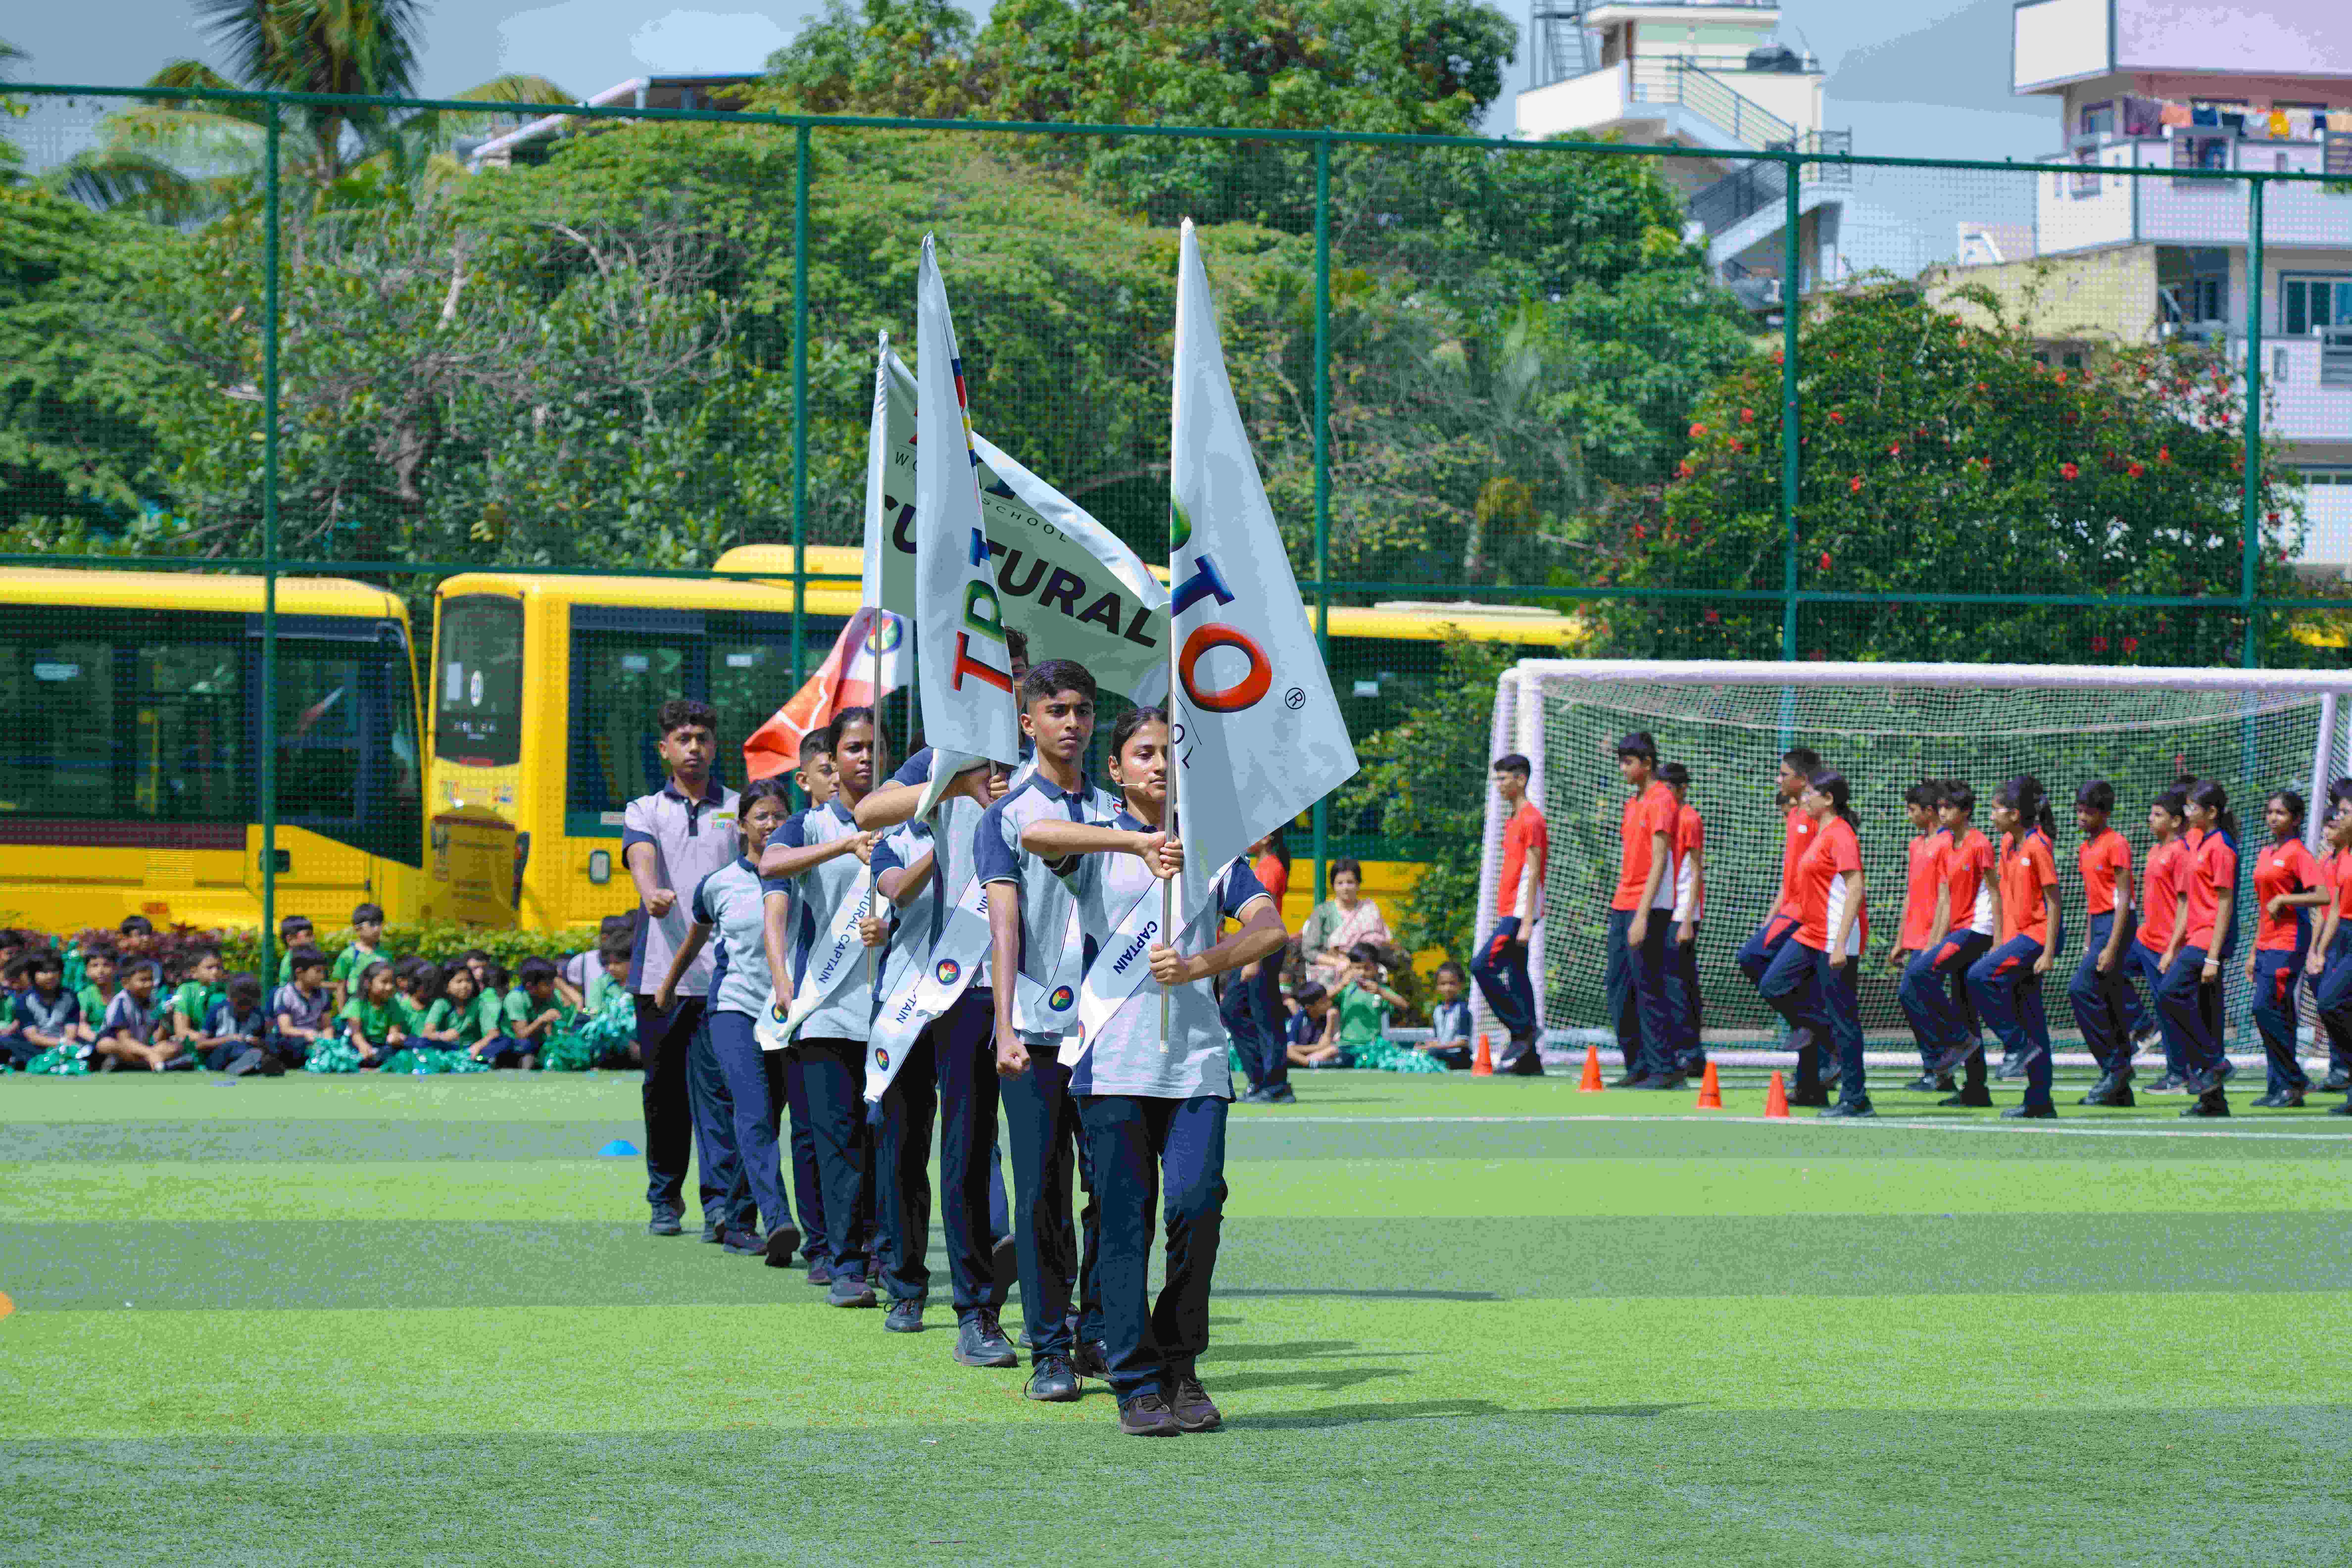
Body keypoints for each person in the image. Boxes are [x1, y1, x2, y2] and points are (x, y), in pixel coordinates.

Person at [1020, 704, 1287, 1436]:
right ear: (1116, 769)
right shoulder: (1098, 843)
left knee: (1196, 1208)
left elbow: (1270, 929)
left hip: (1196, 1064)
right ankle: (1135, 1381)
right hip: (1110, 1064)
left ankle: (1181, 1365)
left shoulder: (1214, 850)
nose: (1160, 765)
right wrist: (1137, 842)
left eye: (1171, 753)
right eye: (1144, 753)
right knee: (1123, 1226)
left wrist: (1200, 963)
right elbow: (1033, 833)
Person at [978, 660, 1123, 1401]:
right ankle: (1048, 1350)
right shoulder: (1002, 816)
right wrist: (1002, 1024)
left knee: (1115, 1189)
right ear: (1027, 720)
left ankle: (1098, 1329)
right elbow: (1004, 927)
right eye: (1057, 709)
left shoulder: (1117, 808)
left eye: (1084, 710)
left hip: (1109, 1034)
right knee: (1039, 1194)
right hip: (1035, 1033)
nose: (1072, 723)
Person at [860, 756, 1022, 1364]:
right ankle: (904, 1284)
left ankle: (975, 1305)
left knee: (968, 1144)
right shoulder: (895, 832)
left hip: (973, 994)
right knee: (902, 1143)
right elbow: (897, 885)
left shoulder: (1016, 788)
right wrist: (950, 813)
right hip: (904, 998)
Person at [760, 705, 885, 1307]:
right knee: (836, 1142)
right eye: (853, 748)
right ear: (831, 761)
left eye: (872, 747)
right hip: (828, 1011)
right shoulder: (807, 827)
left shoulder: (909, 821)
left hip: (895, 1010)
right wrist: (842, 846)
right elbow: (771, 865)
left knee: (888, 1139)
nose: (863, 757)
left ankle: (888, 1252)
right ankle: (843, 1263)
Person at [657, 775, 803, 1264]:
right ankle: (778, 1218)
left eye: (779, 816)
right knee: (754, 1112)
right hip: (734, 1010)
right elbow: (694, 941)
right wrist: (667, 986)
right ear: (743, 825)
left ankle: (738, 1221)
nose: (770, 824)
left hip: (786, 1014)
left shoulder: (804, 874)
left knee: (769, 1118)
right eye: (761, 816)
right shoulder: (719, 885)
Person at [620, 697, 749, 1243]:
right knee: (664, 1094)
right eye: (683, 739)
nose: (694, 748)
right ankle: (664, 1199)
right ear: (665, 748)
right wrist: (651, 894)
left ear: (715, 746)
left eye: (702, 738)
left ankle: (719, 1207)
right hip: (659, 979)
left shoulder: (740, 809)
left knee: (721, 1094)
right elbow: (641, 858)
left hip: (727, 978)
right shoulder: (645, 809)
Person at [1760, 768, 1870, 1117]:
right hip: (1811, 933)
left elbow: (1856, 888)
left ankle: (1856, 1099)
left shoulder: (1841, 834)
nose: (1803, 799)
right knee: (1774, 985)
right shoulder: (1821, 833)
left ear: (1829, 800)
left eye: (1810, 794)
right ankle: (1817, 1029)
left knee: (1845, 1018)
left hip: (1835, 937)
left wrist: (1840, 944)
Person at [1968, 776, 2063, 1120]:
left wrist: (2049, 952)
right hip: (2017, 937)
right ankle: (2040, 1100)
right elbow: (2008, 898)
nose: (1991, 816)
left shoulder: (2039, 845)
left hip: (2038, 938)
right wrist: (2001, 941)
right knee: (2032, 1016)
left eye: (1996, 810)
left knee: (1979, 977)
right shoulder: (2009, 843)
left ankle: (2016, 1045)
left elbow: (2054, 903)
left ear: (2015, 813)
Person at [2068, 779, 2154, 1107]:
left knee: (2081, 989)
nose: (2082, 817)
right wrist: (2091, 942)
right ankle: (2120, 1087)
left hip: (2119, 923)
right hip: (2100, 924)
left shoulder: (2116, 843)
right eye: (2079, 811)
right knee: (2108, 996)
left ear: (2104, 813)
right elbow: (2094, 901)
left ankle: (2116, 1067)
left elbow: (2124, 899)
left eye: (2089, 812)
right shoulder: (2085, 848)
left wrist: (2112, 945)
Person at [2160, 781, 2241, 1118]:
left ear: (2211, 812)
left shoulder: (2221, 846)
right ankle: (2213, 1100)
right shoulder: (2199, 843)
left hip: (2209, 940)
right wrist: (2175, 945)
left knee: (2169, 994)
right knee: (2207, 1016)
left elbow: (2225, 905)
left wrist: (2212, 956)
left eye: (2194, 808)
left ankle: (2214, 1063)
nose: (2188, 812)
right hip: (2196, 936)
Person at [1736, 747, 1822, 1058]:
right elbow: (1792, 876)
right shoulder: (1795, 813)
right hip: (1789, 911)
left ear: (1802, 780)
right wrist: (1773, 915)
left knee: (1752, 957)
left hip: (1807, 915)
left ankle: (1811, 1023)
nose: (1778, 779)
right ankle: (1809, 1073)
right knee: (1759, 961)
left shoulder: (1816, 817)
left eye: (1784, 775)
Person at [2244, 789, 2326, 1108]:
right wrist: (2253, 951)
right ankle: (2281, 1087)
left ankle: (2295, 1080)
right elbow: (2266, 907)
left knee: (2264, 1008)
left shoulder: (2297, 853)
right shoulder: (2266, 853)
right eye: (2270, 812)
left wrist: (2286, 899)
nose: (2273, 818)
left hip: (2289, 941)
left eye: (2280, 813)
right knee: (2280, 1014)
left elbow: (2322, 896)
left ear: (2296, 819)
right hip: (2266, 942)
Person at [1471, 756, 1547, 1075]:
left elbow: (1533, 872)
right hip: (1511, 910)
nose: (1498, 785)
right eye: (1497, 779)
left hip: (1520, 912)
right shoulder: (1513, 818)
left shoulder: (1532, 819)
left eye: (1504, 779)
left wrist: (1527, 920)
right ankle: (1530, 1061)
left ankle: (1523, 1030)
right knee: (1517, 976)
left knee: (1482, 966)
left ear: (1521, 779)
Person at [1222, 830, 1294, 1103]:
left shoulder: (1270, 868)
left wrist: (1254, 960)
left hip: (1263, 949)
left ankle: (1275, 1085)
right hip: (1257, 948)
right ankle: (1261, 1079)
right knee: (1234, 1011)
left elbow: (1264, 918)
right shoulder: (1263, 866)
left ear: (1267, 838)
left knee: (1267, 1016)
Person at [1889, 781, 1952, 1090]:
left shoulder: (1947, 842)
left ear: (1930, 812)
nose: (1908, 816)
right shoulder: (1916, 845)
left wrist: (1935, 941)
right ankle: (1938, 1069)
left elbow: (1946, 894)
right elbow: (1911, 894)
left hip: (1936, 938)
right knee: (1910, 995)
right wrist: (1901, 939)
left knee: (1917, 994)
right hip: (1916, 938)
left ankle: (1942, 1068)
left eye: (1912, 810)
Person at [2133, 789, 2195, 1094]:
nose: (2151, 819)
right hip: (2146, 940)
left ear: (2175, 821)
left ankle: (2179, 1073)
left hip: (2166, 945)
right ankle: (2142, 1025)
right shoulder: (2155, 851)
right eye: (2152, 813)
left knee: (2170, 1009)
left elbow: (2185, 904)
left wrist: (2173, 948)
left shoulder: (2181, 853)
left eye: (2158, 815)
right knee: (2099, 972)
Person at [1656, 761, 1707, 1079]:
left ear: (1680, 788)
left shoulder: (1689, 819)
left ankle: (1689, 1051)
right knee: (1672, 981)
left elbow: (1695, 871)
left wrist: (1687, 918)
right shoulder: (1664, 817)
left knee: (1680, 983)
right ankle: (1682, 1048)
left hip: (1682, 912)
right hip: (1666, 910)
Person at [2308, 783, 2352, 1116]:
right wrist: (2319, 949)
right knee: (2328, 1001)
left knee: (2333, 1000)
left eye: (2346, 813)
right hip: (2344, 935)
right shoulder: (2342, 857)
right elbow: (2335, 908)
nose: (2339, 818)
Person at [1300, 858, 1392, 992]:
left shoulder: (1370, 910)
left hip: (1366, 971)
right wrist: (1338, 962)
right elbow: (1309, 952)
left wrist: (1358, 965)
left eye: (1350, 883)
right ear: (1333, 885)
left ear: (1359, 884)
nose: (1346, 888)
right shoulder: (1323, 912)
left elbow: (1379, 945)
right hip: (1330, 973)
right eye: (1340, 883)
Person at [7, 950, 82, 1071]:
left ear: (61, 973)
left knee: (92, 1047)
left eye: (54, 971)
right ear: (33, 975)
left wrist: (65, 1045)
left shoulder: (71, 997)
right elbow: (33, 1037)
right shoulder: (24, 1000)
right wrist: (63, 1043)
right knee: (5, 1042)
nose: (50, 976)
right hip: (35, 1046)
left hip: (65, 1046)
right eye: (44, 972)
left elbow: (71, 1034)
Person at [195, 974, 276, 1076]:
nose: (245, 1008)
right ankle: (255, 1064)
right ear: (230, 998)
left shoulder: (258, 1015)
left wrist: (258, 1042)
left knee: (267, 1048)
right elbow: (200, 1044)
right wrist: (230, 1038)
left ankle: (251, 1065)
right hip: (218, 1058)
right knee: (234, 1046)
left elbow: (265, 1044)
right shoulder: (217, 1011)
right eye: (241, 1003)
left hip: (249, 1050)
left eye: (249, 1004)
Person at [96, 961, 168, 1072]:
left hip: (143, 1048)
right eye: (143, 980)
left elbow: (158, 1039)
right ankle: (149, 1063)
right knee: (106, 1045)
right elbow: (125, 1041)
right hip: (124, 1047)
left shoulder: (155, 1001)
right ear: (126, 983)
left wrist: (166, 1021)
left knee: (174, 1046)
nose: (149, 984)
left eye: (151, 980)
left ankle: (140, 1064)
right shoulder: (121, 1002)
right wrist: (151, 1053)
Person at [503, 956, 573, 1068]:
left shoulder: (552, 996)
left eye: (552, 983)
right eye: (547, 985)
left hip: (540, 1044)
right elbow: (521, 1035)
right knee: (526, 1048)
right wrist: (542, 1020)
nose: (553, 988)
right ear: (530, 986)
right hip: (516, 1046)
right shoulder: (516, 998)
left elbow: (562, 1031)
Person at [269, 947, 334, 1067]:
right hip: (291, 1039)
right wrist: (307, 1033)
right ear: (299, 973)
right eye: (318, 971)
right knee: (290, 1046)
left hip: (316, 1039)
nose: (322, 976)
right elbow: (286, 1029)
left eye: (323, 972)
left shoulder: (324, 995)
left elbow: (328, 1026)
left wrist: (328, 1038)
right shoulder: (285, 994)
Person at [341, 960, 408, 1067]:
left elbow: (394, 1031)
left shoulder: (393, 1003)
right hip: (359, 1043)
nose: (390, 987)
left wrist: (396, 1038)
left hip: (382, 1045)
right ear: (368, 983)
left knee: (397, 1053)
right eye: (384, 982)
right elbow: (356, 1034)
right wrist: (364, 1047)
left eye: (392, 983)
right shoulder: (357, 1003)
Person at [329, 903, 387, 1009]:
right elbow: (341, 986)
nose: (378, 929)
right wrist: (343, 1013)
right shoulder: (349, 955)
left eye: (380, 924)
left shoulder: (386, 955)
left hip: (381, 1008)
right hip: (356, 1008)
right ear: (358, 929)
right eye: (373, 924)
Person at [169, 946, 225, 1047]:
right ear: (194, 973)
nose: (216, 972)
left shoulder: (227, 990)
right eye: (210, 968)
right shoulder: (186, 990)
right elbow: (181, 1031)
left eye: (219, 967)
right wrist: (211, 1040)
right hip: (196, 1047)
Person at [1424, 960, 1474, 1070]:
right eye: (1443, 984)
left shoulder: (1463, 1010)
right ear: (1437, 987)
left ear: (1461, 985)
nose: (1447, 988)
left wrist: (1437, 1047)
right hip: (1442, 1051)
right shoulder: (1437, 1011)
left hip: (1459, 1055)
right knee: (1422, 1052)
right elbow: (1439, 1038)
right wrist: (1425, 1045)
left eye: (1452, 984)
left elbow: (1463, 1043)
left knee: (1433, 1054)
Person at [1285, 982, 1338, 1067]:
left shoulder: (1326, 1017)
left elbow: (1327, 1044)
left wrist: (1330, 1020)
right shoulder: (1299, 1019)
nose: (1329, 1003)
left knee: (1333, 1050)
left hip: (1316, 1055)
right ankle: (1308, 1063)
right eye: (1323, 1002)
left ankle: (1309, 1062)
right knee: (1287, 1052)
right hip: (1298, 1055)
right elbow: (1291, 1048)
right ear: (1309, 1007)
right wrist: (1318, 1048)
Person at [274, 915, 314, 985]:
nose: (313, 939)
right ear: (290, 939)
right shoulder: (290, 961)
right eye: (308, 935)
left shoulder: (302, 957)